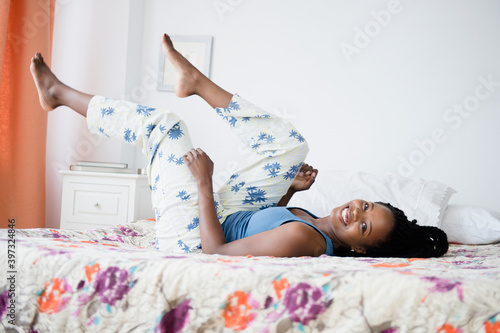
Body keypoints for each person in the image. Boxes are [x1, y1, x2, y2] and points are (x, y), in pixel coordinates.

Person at [30, 33, 448, 258]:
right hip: (232, 215)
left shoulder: (305, 241)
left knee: (166, 127)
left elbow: (216, 251)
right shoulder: (314, 222)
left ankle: (59, 95)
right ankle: (196, 84)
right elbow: (266, 223)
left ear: (358, 246)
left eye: (363, 226)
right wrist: (290, 192)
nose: (355, 212)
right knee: (290, 148)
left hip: (192, 239)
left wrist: (204, 184)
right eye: (367, 206)